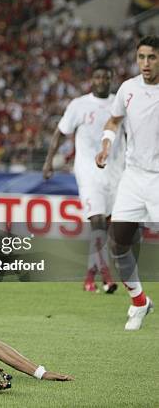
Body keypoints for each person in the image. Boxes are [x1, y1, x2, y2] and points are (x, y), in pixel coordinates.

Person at [95, 35, 159, 330]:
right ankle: (139, 301)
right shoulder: (128, 89)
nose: (146, 64)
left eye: (152, 57)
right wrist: (106, 145)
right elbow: (114, 120)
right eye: (141, 57)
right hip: (133, 176)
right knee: (117, 242)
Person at [43, 65, 122, 293]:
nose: (101, 80)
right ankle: (107, 277)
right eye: (97, 77)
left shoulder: (120, 104)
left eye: (106, 76)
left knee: (108, 228)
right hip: (88, 172)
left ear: (111, 78)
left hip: (116, 172)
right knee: (97, 221)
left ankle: (89, 278)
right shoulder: (79, 105)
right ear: (92, 80)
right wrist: (49, 162)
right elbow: (60, 132)